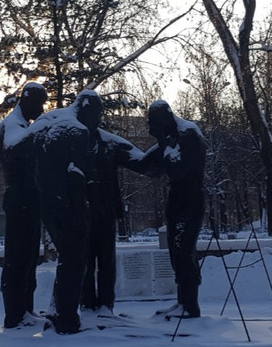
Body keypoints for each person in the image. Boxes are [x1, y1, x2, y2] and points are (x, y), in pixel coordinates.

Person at [27, 90, 101, 334]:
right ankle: (66, 319)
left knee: (66, 260)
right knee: (74, 262)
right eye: (97, 114)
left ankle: (58, 311)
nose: (98, 121)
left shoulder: (46, 121)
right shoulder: (77, 131)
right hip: (68, 207)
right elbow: (75, 175)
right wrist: (80, 211)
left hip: (46, 203)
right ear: (87, 107)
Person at [79, 99, 146, 317]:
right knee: (84, 261)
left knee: (107, 261)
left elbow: (140, 161)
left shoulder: (109, 142)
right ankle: (86, 303)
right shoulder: (71, 141)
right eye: (92, 113)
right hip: (81, 213)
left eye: (98, 113)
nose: (96, 118)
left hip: (105, 211)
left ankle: (106, 304)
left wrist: (165, 146)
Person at [141, 100, 207, 318]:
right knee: (175, 252)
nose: (152, 128)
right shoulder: (172, 137)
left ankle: (190, 306)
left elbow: (176, 170)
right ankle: (182, 302)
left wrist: (161, 141)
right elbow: (151, 167)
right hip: (177, 199)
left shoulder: (188, 134)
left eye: (154, 123)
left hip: (190, 200)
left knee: (184, 251)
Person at [0, 82, 48, 329]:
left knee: (28, 258)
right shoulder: (11, 125)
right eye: (39, 104)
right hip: (20, 199)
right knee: (18, 258)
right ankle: (15, 315)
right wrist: (41, 128)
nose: (42, 110)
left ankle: (25, 310)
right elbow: (14, 149)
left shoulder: (22, 125)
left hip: (30, 198)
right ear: (26, 100)